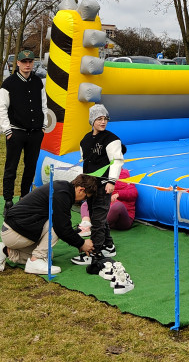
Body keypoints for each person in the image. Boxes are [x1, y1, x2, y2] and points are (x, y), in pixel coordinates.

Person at [0, 174, 97, 274]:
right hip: (15, 232)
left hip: (12, 230)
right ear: (80, 189)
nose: (84, 200)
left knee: (48, 256)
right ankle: (36, 260)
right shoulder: (63, 194)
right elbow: (62, 228)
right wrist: (81, 243)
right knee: (56, 224)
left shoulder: (63, 187)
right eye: (86, 197)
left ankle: (4, 251)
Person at [72, 104, 125, 265]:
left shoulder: (112, 139)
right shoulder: (85, 140)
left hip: (104, 185)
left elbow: (116, 161)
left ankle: (93, 252)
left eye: (105, 119)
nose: (103, 122)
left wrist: (111, 182)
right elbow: (86, 163)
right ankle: (108, 245)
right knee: (97, 217)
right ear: (92, 120)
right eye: (99, 119)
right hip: (90, 186)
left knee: (98, 220)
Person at [0, 49, 45, 214]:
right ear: (17, 63)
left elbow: (44, 105)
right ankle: (8, 200)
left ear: (33, 63)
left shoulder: (38, 82)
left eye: (30, 62)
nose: (27, 65)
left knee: (30, 167)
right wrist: (7, 130)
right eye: (24, 62)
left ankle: (25, 198)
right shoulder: (9, 83)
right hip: (16, 132)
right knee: (11, 167)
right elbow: (2, 108)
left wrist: (43, 126)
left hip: (36, 132)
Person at [79, 166, 137, 234]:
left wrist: (119, 194)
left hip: (123, 221)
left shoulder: (127, 182)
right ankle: (85, 224)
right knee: (86, 203)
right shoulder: (104, 183)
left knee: (118, 206)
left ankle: (96, 226)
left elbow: (134, 193)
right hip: (106, 215)